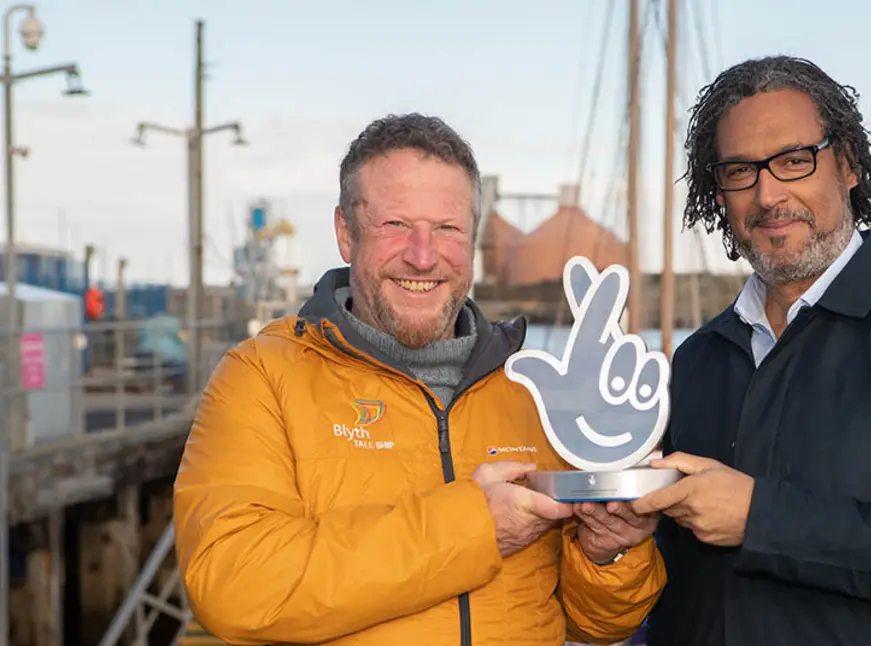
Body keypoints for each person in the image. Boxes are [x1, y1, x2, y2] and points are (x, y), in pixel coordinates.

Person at [172, 113, 665, 645]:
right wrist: (473, 529)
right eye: (395, 225)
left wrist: (609, 552)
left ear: (473, 238)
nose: (423, 256)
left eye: (448, 228)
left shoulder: (531, 392)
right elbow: (234, 587)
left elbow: (597, 624)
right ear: (346, 233)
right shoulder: (262, 376)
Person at [631, 55, 871, 645]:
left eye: (794, 161)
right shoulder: (696, 360)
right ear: (718, 193)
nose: (768, 195)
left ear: (846, 165)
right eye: (740, 170)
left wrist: (759, 518)